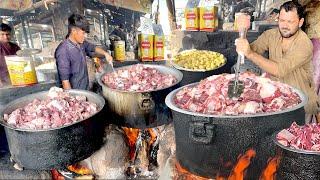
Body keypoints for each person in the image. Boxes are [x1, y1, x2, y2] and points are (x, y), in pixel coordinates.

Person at [235, 1, 320, 122]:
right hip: (276, 96)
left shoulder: (304, 44)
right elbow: (251, 49)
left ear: (300, 22)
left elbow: (279, 70)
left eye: (290, 22)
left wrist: (249, 53)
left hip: (300, 103)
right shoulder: (271, 35)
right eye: (282, 20)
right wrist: (243, 34)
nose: (285, 26)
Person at [55, 14, 113, 90]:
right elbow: (65, 82)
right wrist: (73, 99)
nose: (85, 36)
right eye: (83, 33)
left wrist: (106, 54)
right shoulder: (63, 51)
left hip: (85, 87)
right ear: (73, 31)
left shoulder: (81, 43)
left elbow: (93, 48)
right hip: (75, 93)